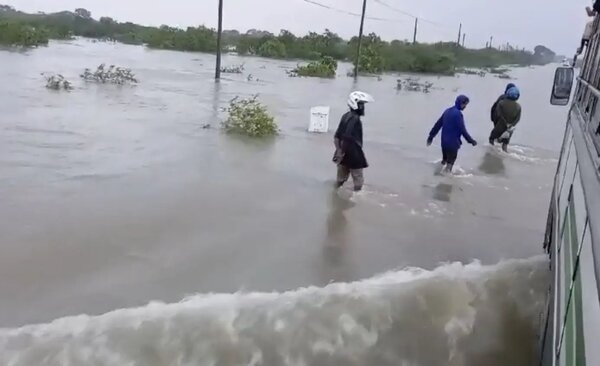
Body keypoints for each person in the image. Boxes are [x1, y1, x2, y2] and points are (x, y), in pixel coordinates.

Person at [333, 91, 374, 192]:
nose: (363, 108)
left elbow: (337, 136)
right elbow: (347, 136)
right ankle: (356, 201)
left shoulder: (345, 115)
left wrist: (339, 151)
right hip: (354, 153)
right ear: (355, 104)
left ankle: (336, 197)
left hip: (343, 152)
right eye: (361, 105)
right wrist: (342, 152)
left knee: (340, 180)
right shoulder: (355, 119)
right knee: (358, 182)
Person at [427, 95, 477, 173]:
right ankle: (446, 182)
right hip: (453, 145)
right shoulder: (458, 115)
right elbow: (462, 130)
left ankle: (437, 177)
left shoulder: (447, 111)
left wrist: (431, 136)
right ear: (461, 103)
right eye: (465, 105)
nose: (465, 107)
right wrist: (471, 141)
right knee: (449, 166)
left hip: (444, 143)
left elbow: (438, 125)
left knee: (444, 161)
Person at [489, 86, 521, 152]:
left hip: (500, 126)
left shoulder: (501, 103)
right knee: (505, 144)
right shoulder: (518, 107)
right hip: (510, 129)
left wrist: (504, 122)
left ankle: (491, 156)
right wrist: (511, 125)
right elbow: (518, 119)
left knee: (491, 139)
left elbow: (498, 114)